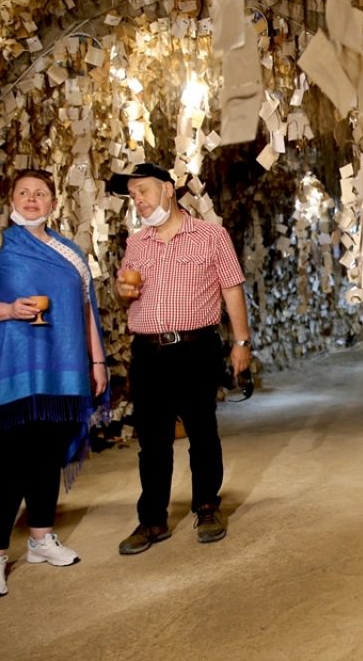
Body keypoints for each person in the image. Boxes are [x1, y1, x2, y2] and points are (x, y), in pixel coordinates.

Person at [0, 169, 109, 600]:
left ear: (54, 203)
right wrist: (8, 310)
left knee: (46, 457)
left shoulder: (70, 252)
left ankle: (40, 539)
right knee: (6, 466)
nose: (32, 198)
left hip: (63, 368)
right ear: (12, 200)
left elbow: (85, 311)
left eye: (41, 193)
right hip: (8, 370)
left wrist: (97, 363)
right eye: (24, 192)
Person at [107, 163, 251, 555]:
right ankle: (152, 519)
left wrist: (241, 342)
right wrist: (123, 292)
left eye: (144, 191)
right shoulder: (136, 243)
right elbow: (125, 295)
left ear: (168, 189)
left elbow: (232, 289)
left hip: (195, 346)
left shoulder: (210, 235)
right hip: (147, 350)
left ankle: (206, 506)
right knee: (152, 440)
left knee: (202, 432)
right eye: (133, 195)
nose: (138, 200)